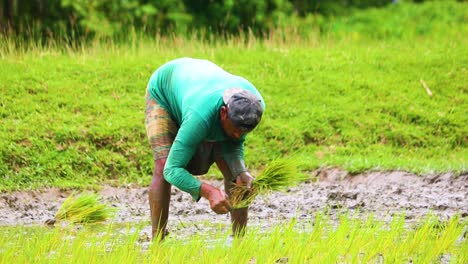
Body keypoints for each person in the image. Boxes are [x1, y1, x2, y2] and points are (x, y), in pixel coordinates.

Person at [144, 58, 266, 240]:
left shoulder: (254, 106)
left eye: (243, 133)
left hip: (200, 88)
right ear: (223, 113)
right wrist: (209, 192)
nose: (238, 137)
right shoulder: (200, 116)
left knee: (236, 177)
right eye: (234, 131)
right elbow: (172, 170)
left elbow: (235, 144)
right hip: (165, 90)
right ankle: (157, 240)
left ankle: (240, 240)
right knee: (163, 165)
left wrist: (242, 172)